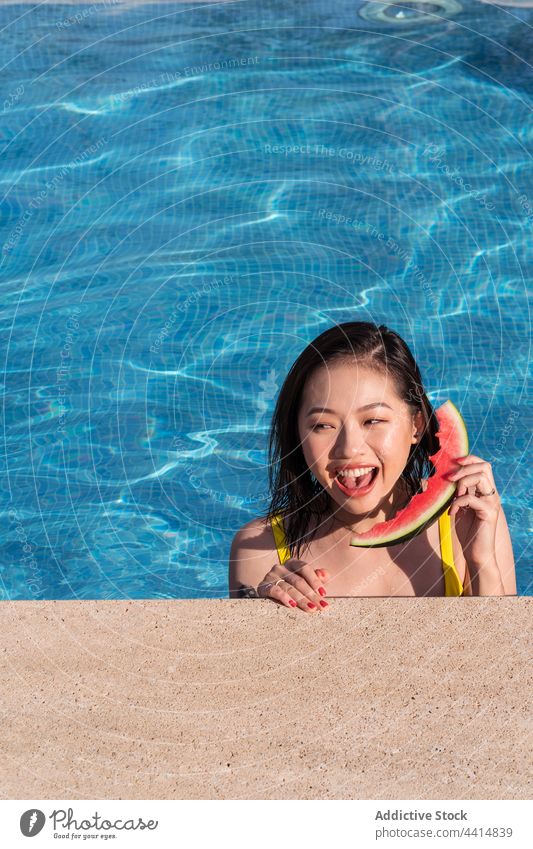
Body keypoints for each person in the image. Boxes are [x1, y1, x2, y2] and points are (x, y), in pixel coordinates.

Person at [228, 322, 517, 610]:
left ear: (416, 425)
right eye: (323, 425)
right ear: (298, 436)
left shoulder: (466, 517)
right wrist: (264, 612)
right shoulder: (259, 550)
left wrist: (483, 563)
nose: (349, 448)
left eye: (373, 421)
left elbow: (503, 653)